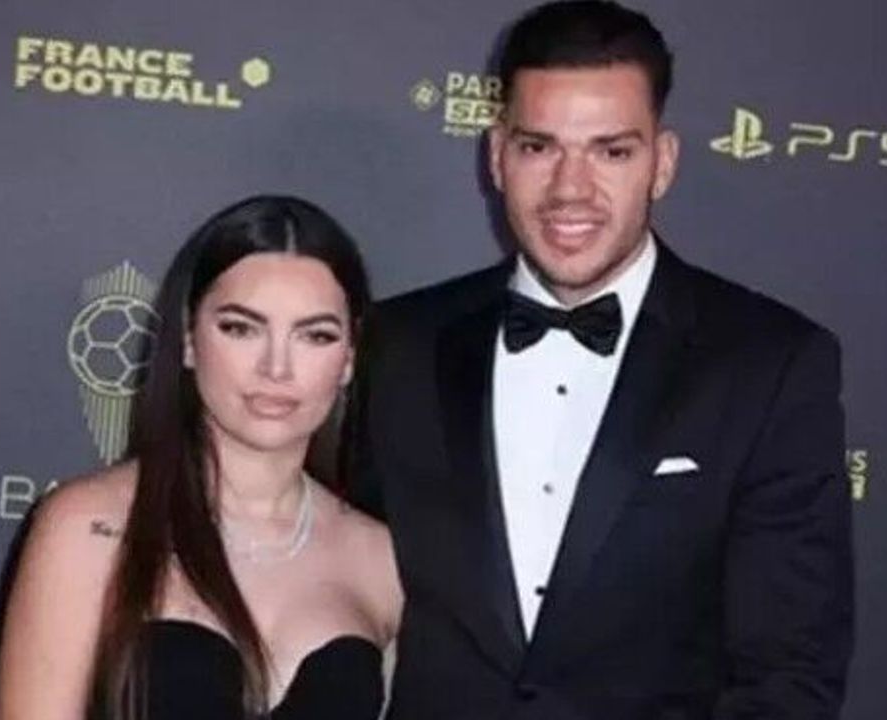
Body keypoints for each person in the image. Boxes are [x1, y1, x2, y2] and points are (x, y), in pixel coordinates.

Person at [347, 2, 854, 718]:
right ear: (496, 156)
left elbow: (789, 675)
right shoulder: (400, 343)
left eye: (611, 152)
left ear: (662, 163)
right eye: (539, 147)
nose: (570, 190)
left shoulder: (769, 364)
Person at [0, 196, 402, 720]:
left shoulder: (381, 560)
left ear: (348, 359)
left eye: (315, 335)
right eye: (241, 328)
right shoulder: (89, 527)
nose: (276, 367)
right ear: (188, 339)